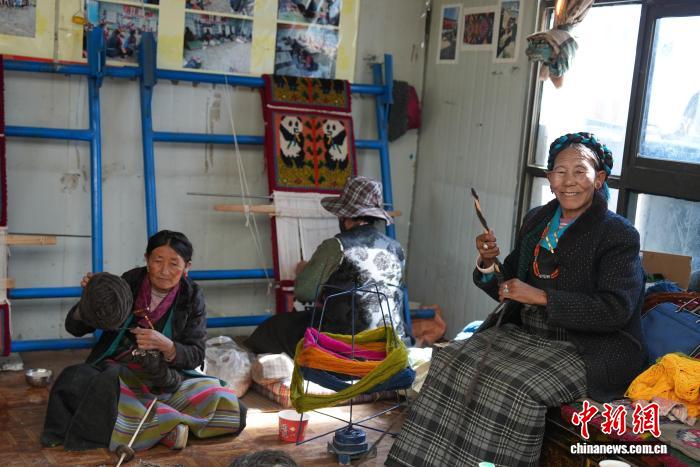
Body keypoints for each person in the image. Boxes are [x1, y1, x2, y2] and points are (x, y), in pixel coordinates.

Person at [387, 132, 648, 466]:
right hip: (529, 332)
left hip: (587, 346)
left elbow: (615, 309)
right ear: (550, 179)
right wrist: (487, 262)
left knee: (515, 386)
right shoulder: (538, 220)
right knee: (451, 360)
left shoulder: (618, 234)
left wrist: (541, 296)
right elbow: (507, 282)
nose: (569, 181)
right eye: (560, 171)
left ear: (598, 179)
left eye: (579, 171)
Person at [41, 230, 246, 452]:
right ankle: (166, 426)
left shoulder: (192, 296)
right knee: (77, 379)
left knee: (227, 404)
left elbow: (195, 354)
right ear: (147, 259)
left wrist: (167, 346)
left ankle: (152, 426)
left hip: (168, 377)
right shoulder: (129, 282)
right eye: (158, 261)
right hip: (118, 372)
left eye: (174, 264)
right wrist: (91, 299)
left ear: (187, 267)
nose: (164, 271)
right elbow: (76, 328)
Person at [244, 176, 407, 357]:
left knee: (276, 326)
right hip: (391, 342)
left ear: (344, 216)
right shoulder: (396, 248)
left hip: (350, 343)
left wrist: (304, 270)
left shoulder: (337, 245)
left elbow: (304, 292)